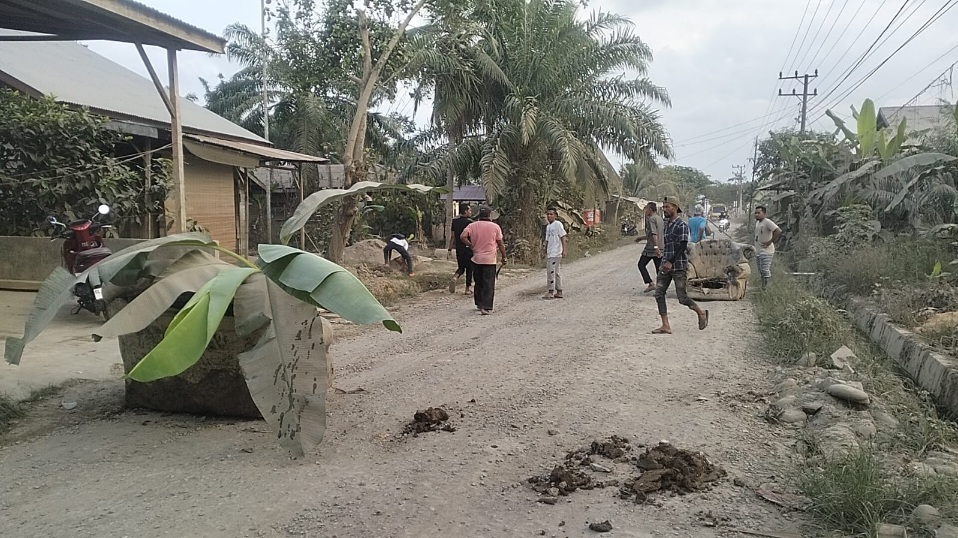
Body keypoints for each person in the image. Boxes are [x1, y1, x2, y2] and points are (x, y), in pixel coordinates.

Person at [653, 196, 709, 334]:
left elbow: (682, 245)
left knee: (682, 298)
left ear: (676, 208)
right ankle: (665, 325)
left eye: (668, 207)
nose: (665, 209)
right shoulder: (667, 224)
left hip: (678, 266)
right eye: (664, 207)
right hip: (665, 263)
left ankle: (701, 312)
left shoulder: (681, 225)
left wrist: (670, 262)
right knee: (659, 293)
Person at [461, 207, 507, 315]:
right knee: (489, 283)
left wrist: (471, 245)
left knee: (478, 282)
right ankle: (486, 307)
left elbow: (462, 236)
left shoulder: (472, 225)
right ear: (489, 215)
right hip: (490, 259)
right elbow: (500, 243)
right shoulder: (495, 227)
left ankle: (479, 303)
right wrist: (504, 256)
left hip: (476, 258)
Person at [753, 205, 782, 290]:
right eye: (755, 213)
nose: (757, 214)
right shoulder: (758, 223)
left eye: (759, 213)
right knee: (761, 270)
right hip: (759, 250)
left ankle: (766, 288)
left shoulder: (767, 222)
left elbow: (778, 231)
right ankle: (763, 287)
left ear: (764, 213)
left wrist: (770, 241)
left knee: (765, 270)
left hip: (766, 251)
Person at [447, 202, 473, 295]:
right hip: (468, 247)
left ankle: (455, 277)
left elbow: (453, 236)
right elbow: (471, 236)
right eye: (469, 210)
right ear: (465, 211)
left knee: (461, 267)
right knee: (469, 268)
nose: (470, 211)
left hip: (458, 247)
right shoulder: (470, 223)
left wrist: (449, 249)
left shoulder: (455, 221)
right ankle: (467, 289)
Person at [638, 202, 664, 293]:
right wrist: (642, 238)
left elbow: (654, 234)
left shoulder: (651, 219)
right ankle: (661, 289)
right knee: (659, 269)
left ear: (650, 209)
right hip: (660, 247)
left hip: (651, 248)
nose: (645, 211)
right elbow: (654, 234)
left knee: (641, 264)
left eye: (646, 209)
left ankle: (650, 283)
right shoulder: (660, 219)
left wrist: (655, 247)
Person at [543, 207, 567, 299]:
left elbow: (563, 237)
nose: (549, 216)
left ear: (555, 215)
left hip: (556, 252)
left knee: (551, 272)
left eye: (551, 214)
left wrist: (564, 250)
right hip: (550, 252)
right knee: (556, 272)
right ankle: (559, 291)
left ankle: (551, 291)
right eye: (548, 214)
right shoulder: (548, 227)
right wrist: (545, 250)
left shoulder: (558, 224)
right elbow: (547, 240)